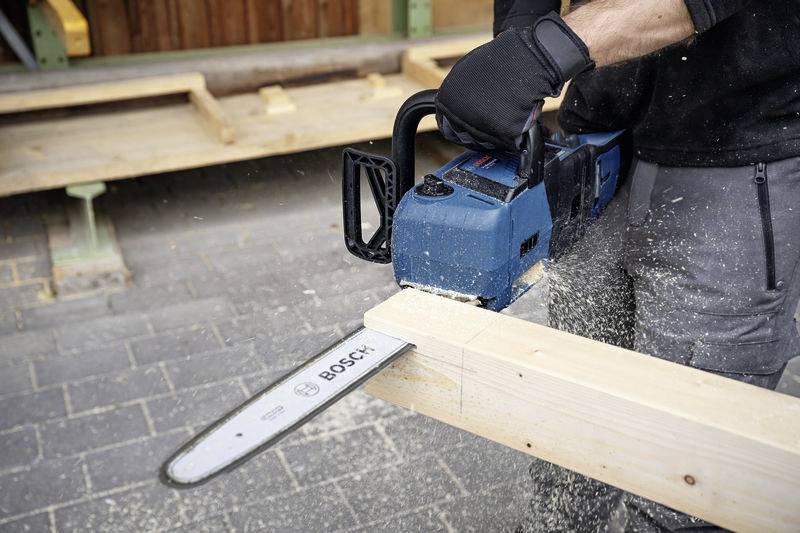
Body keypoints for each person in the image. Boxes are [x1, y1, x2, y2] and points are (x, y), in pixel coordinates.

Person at [434, 0, 800, 531]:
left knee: (690, 458)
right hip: (595, 137)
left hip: (737, 147)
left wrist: (543, 51)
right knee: (576, 396)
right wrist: (517, 36)